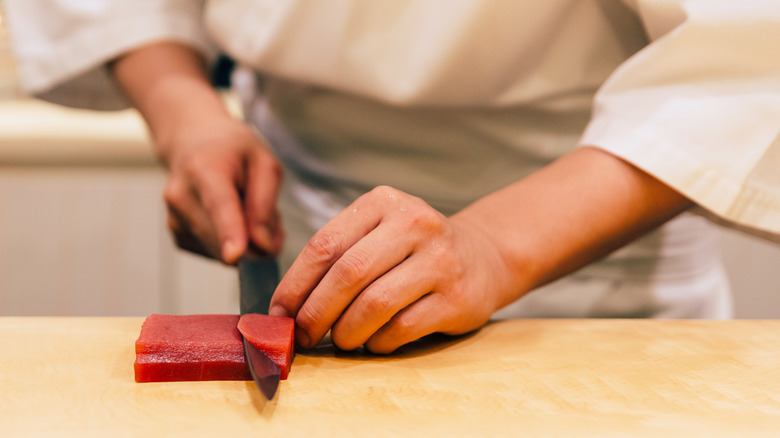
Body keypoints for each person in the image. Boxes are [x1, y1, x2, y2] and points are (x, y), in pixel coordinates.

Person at [6, 1, 780, 353]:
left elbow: (744, 61)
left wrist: (493, 246)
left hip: (594, 283)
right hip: (302, 256)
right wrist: (188, 115)